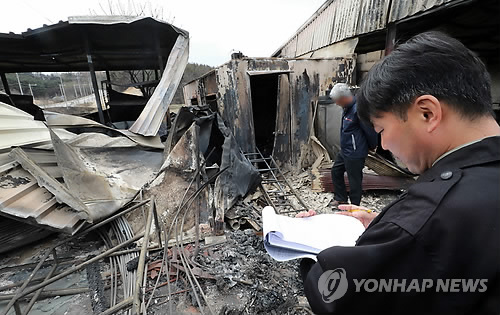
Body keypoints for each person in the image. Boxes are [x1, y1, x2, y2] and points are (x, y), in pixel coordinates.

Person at [298, 31, 500, 314]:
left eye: (381, 130)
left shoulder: (428, 215)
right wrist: (384, 225)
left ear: (427, 113)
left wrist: (303, 248)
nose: (382, 144)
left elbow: (336, 293)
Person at [329, 83, 377, 207]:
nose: (336, 104)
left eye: (337, 101)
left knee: (354, 180)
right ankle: (341, 198)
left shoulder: (358, 109)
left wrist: (372, 146)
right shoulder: (347, 107)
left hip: (355, 152)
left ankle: (355, 206)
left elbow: (369, 130)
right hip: (345, 150)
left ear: (344, 98)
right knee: (336, 171)